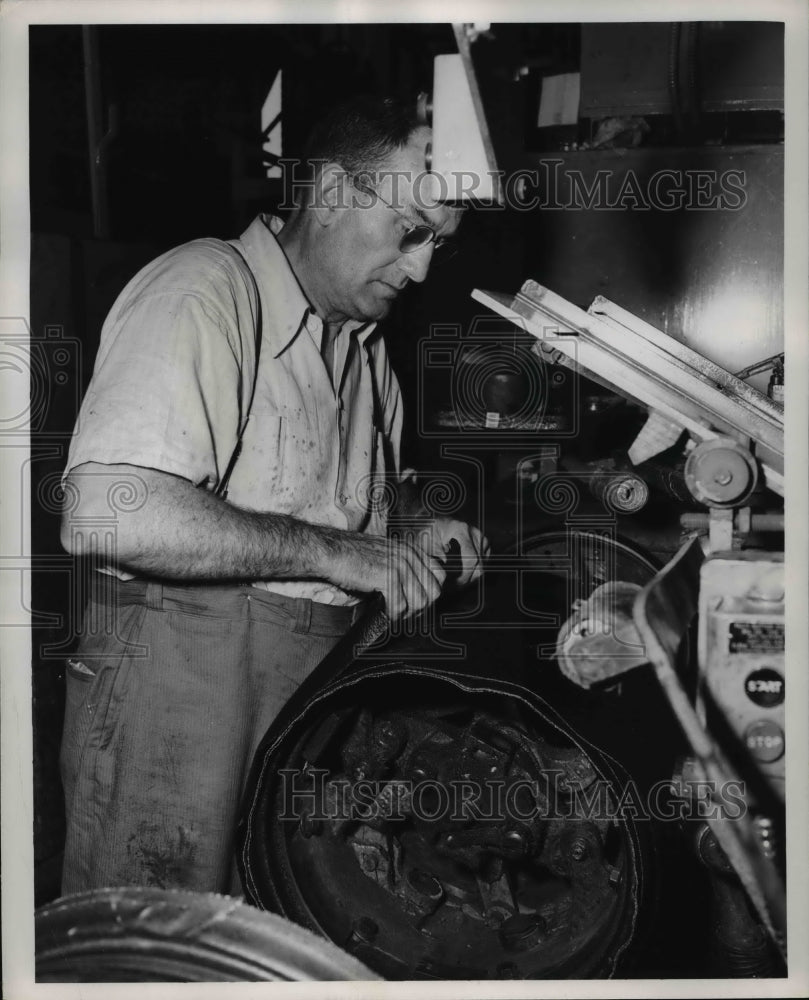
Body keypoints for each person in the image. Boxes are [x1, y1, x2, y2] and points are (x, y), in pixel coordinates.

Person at [58, 96, 488, 895]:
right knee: (161, 945)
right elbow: (106, 511)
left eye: (439, 244)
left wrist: (419, 533)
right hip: (179, 699)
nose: (423, 267)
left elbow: (367, 517)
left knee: (270, 937)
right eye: (411, 232)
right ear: (329, 193)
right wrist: (338, 551)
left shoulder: (365, 352)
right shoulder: (204, 290)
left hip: (304, 704)